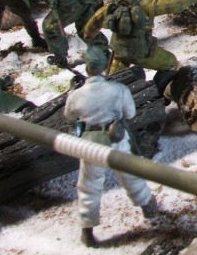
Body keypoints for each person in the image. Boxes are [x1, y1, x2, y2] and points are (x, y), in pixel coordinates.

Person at [63, 46, 159, 248]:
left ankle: (87, 230)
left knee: (89, 186)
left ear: (87, 67)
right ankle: (148, 207)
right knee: (131, 175)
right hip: (116, 137)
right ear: (105, 65)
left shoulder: (76, 95)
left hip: (90, 142)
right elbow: (130, 114)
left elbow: (70, 116)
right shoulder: (118, 90)